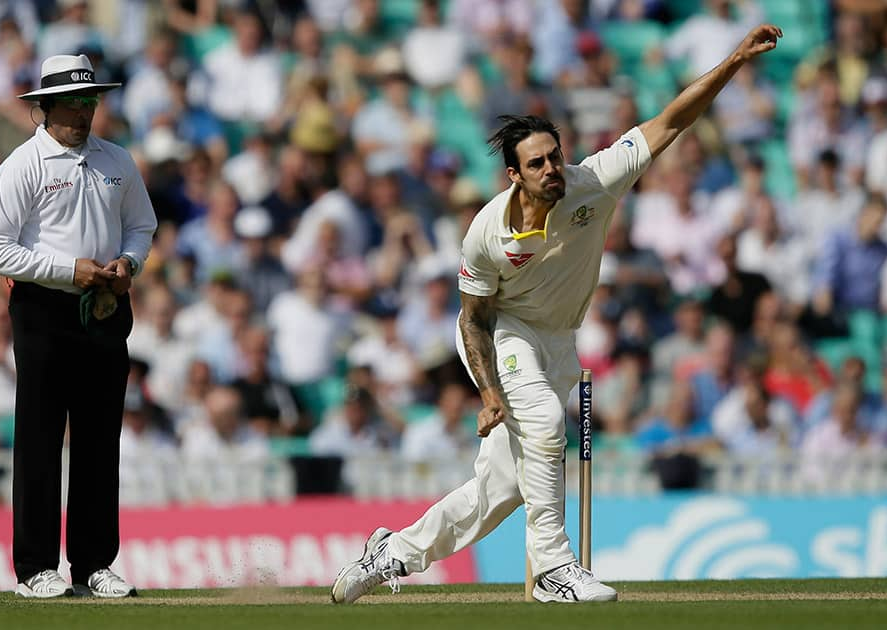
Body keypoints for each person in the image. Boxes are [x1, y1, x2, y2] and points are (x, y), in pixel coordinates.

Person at [331, 24, 784, 604]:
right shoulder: (486, 234)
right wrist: (491, 393)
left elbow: (671, 121)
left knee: (498, 490)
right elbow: (473, 319)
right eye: (537, 163)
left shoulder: (593, 180)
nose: (552, 169)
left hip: (560, 339)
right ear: (513, 173)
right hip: (505, 331)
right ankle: (554, 570)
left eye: (554, 156)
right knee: (545, 423)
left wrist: (735, 59)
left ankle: (392, 553)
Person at [0, 54, 157, 598]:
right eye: (71, 105)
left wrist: (128, 263)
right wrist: (66, 269)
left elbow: (141, 226)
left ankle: (93, 564)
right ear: (44, 109)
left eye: (89, 103)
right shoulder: (21, 165)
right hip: (44, 311)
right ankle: (35, 566)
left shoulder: (117, 161)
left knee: (100, 438)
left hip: (104, 308)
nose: (81, 114)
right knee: (39, 436)